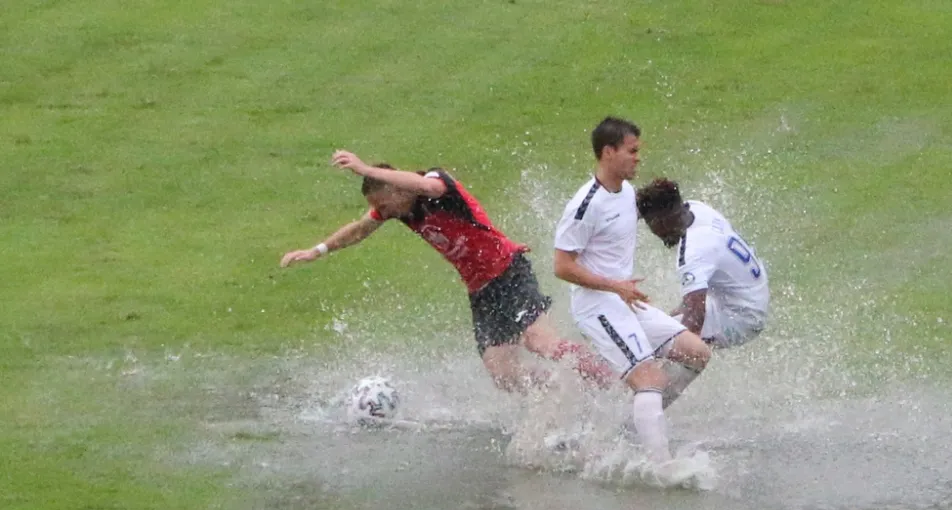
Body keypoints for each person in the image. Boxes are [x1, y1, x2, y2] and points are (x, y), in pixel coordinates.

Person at [281, 150, 613, 392]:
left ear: (397, 189)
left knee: (541, 342)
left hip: (508, 272)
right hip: (481, 292)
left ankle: (614, 378)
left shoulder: (438, 184)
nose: (379, 212)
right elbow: (358, 229)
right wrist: (316, 250)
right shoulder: (400, 211)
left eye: (383, 204)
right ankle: (561, 390)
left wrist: (366, 168)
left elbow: (425, 187)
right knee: (504, 375)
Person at [552, 118, 712, 470]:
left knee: (696, 353)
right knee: (650, 378)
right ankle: (661, 466)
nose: (638, 158)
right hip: (598, 307)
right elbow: (562, 266)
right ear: (608, 153)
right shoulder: (585, 205)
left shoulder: (625, 193)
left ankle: (636, 421)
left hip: (624, 301)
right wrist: (615, 286)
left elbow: (642, 218)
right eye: (632, 151)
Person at [636, 179, 769, 349]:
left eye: (651, 225)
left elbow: (696, 315)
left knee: (656, 344)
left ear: (661, 222)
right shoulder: (696, 209)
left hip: (743, 319)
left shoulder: (693, 251)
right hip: (751, 296)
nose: (654, 233)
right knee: (666, 327)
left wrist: (675, 352)